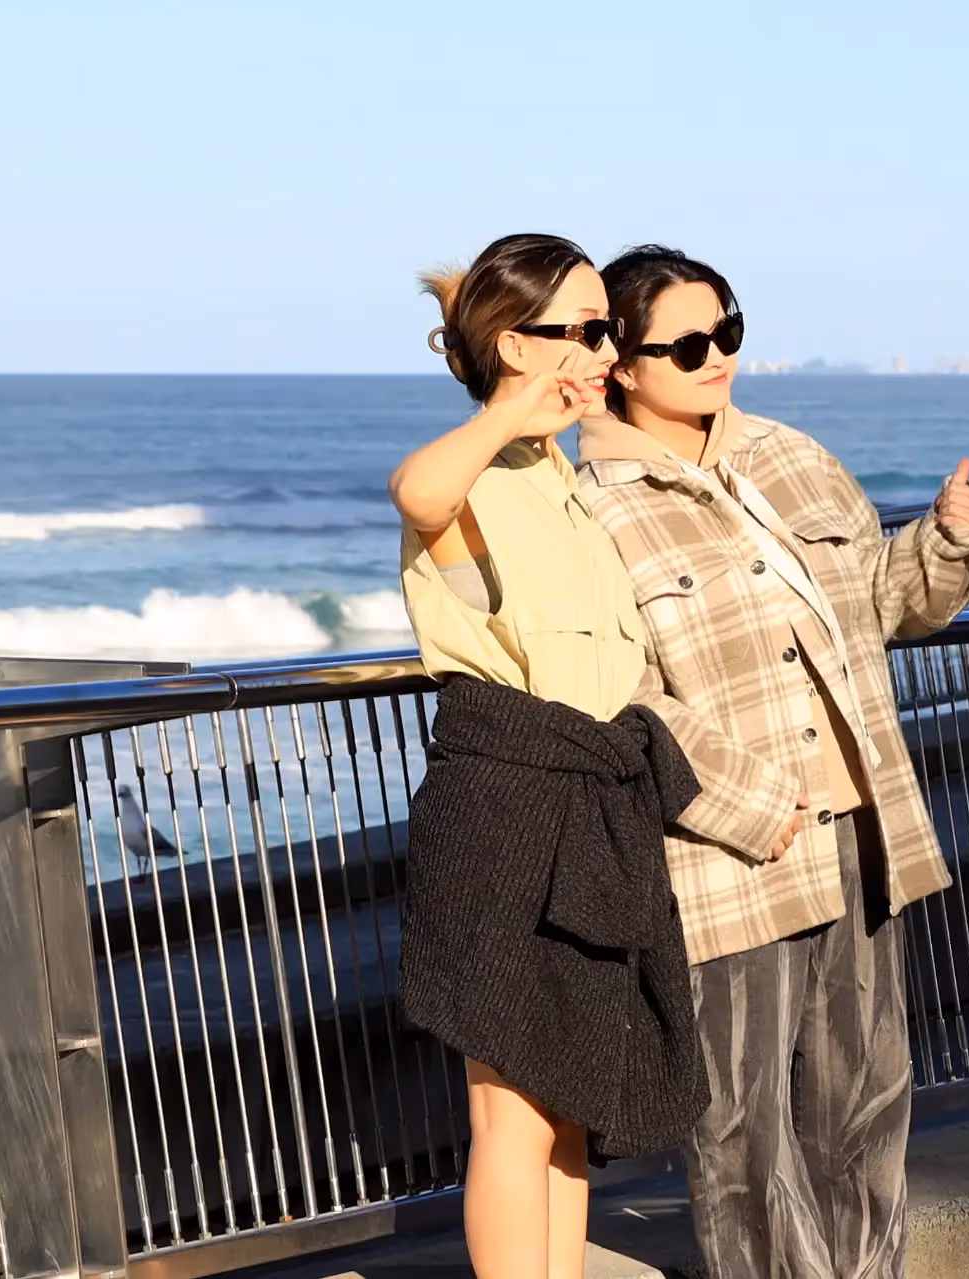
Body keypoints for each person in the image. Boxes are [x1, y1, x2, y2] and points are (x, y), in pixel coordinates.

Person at [576, 244, 969, 1278]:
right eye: (686, 344)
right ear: (623, 362)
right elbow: (620, 693)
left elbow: (883, 605)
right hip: (728, 853)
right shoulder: (594, 507)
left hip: (860, 829)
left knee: (867, 1099)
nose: (716, 356)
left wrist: (946, 542)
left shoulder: (793, 457)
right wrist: (753, 800)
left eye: (728, 330)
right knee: (740, 1125)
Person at [390, 233, 707, 1279]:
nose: (605, 352)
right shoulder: (477, 471)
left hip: (587, 813)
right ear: (514, 344)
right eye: (585, 330)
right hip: (504, 812)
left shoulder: (563, 481)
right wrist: (506, 411)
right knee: (513, 1110)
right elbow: (417, 492)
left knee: (570, 1104)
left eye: (606, 331)